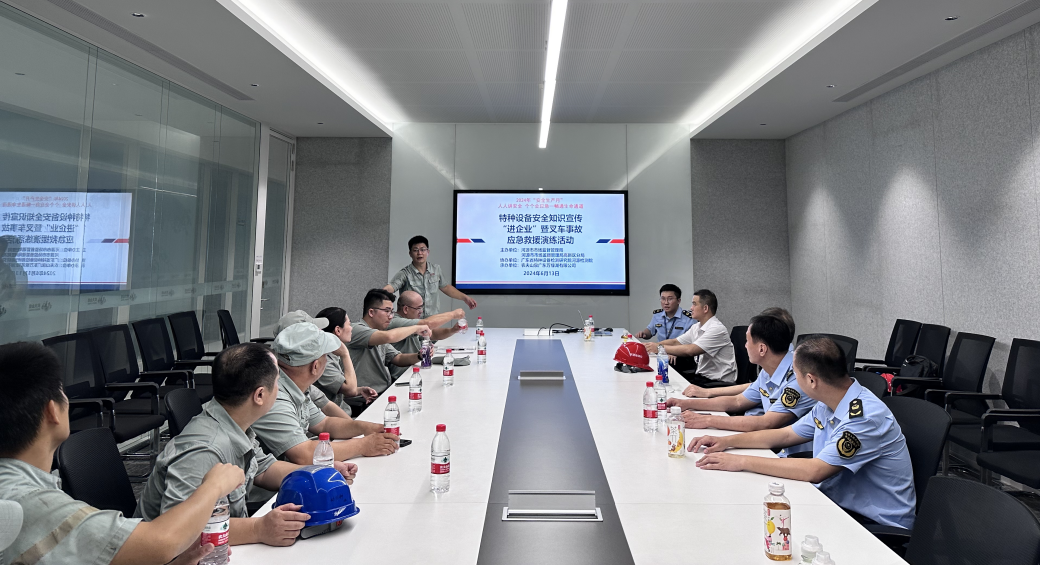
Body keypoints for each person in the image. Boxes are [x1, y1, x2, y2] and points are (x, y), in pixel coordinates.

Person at [0, 341, 245, 565]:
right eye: (62, 393)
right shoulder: (30, 504)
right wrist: (213, 486)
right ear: (52, 411)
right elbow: (161, 542)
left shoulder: (18, 488)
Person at [136, 343, 358, 546]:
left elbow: (264, 469)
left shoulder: (235, 423)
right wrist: (257, 529)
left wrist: (315, 474)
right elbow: (179, 532)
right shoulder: (204, 450)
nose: (280, 389)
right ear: (260, 395)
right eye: (278, 383)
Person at [689, 337, 916, 529]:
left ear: (811, 380)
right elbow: (786, 435)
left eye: (795, 374)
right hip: (836, 503)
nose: (793, 380)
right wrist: (725, 442)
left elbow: (814, 471)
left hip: (874, 524)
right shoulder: (830, 401)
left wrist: (740, 461)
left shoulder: (864, 418)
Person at [665, 314, 815, 456]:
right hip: (770, 445)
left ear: (762, 349)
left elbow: (766, 422)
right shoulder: (769, 369)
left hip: (792, 455)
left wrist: (706, 420)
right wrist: (686, 404)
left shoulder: (799, 378)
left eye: (747, 341)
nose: (745, 346)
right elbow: (738, 401)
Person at [251, 322, 400, 465]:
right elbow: (303, 454)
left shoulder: (293, 385)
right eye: (326, 356)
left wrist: (366, 428)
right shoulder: (274, 396)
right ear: (315, 366)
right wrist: (363, 445)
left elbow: (324, 423)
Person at [643, 289, 736, 387]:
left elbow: (691, 350)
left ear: (705, 308)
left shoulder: (717, 329)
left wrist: (658, 348)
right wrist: (650, 346)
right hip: (701, 377)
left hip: (718, 383)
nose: (691, 308)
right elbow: (675, 342)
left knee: (672, 388)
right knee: (668, 383)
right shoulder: (697, 327)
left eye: (694, 304)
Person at [348, 289, 431, 396]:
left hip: (383, 392)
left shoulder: (379, 333)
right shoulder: (356, 329)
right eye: (387, 311)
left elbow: (398, 358)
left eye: (391, 311)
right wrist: (416, 328)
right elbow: (389, 336)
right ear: (371, 312)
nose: (391, 316)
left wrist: (419, 355)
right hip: (364, 398)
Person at [384, 235, 477, 316]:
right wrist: (379, 298)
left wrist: (465, 298)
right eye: (415, 250)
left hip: (432, 318)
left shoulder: (436, 270)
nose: (419, 253)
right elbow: (390, 288)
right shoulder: (405, 273)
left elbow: (446, 287)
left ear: (428, 252)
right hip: (412, 320)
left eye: (423, 250)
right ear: (410, 253)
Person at [312, 307, 380, 413]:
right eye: (349, 324)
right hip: (334, 419)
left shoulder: (332, 354)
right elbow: (350, 390)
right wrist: (345, 354)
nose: (351, 328)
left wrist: (360, 390)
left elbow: (343, 388)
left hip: (343, 413)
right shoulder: (323, 361)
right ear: (338, 330)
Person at [387, 290, 466, 379]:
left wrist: (452, 330)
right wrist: (453, 314)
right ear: (406, 309)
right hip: (402, 376)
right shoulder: (395, 322)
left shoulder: (411, 320)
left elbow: (433, 334)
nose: (421, 311)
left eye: (422, 307)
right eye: (418, 308)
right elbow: (427, 323)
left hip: (415, 369)